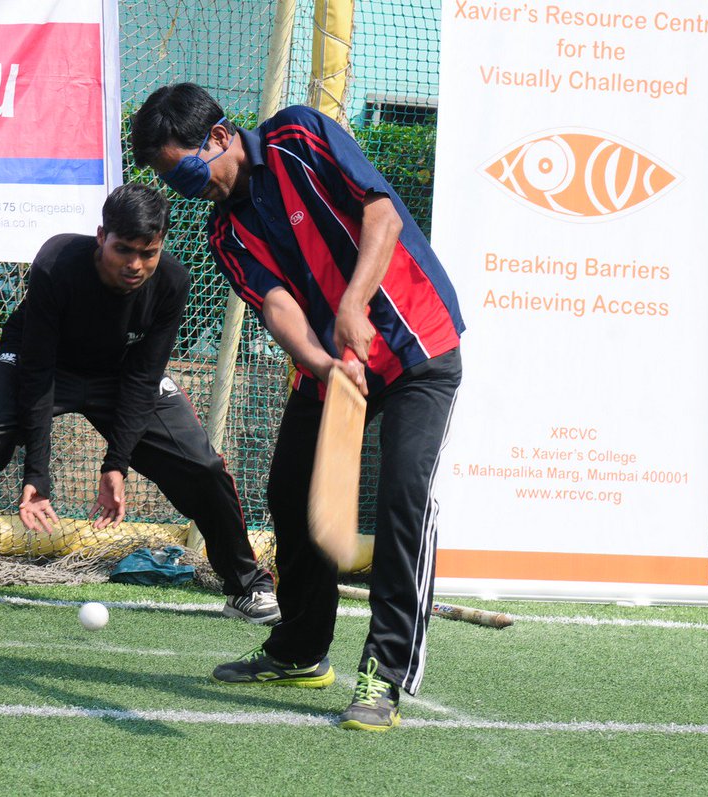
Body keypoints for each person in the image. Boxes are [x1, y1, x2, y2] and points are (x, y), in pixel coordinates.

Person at [131, 84, 465, 731]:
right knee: (288, 492)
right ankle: (301, 649)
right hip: (333, 367)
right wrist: (321, 363)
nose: (186, 187)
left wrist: (352, 305)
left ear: (220, 137)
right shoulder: (225, 232)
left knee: (403, 498)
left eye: (185, 169)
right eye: (172, 180)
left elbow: (383, 216)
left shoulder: (299, 137)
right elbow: (277, 305)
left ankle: (386, 672)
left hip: (416, 346)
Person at [0, 183, 279, 625]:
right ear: (101, 237)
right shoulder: (58, 262)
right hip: (40, 362)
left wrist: (116, 464)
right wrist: (36, 475)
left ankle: (246, 586)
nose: (135, 265)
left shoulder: (172, 281)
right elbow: (38, 370)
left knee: (203, 466)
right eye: (123, 249)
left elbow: (142, 377)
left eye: (148, 253)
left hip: (121, 376)